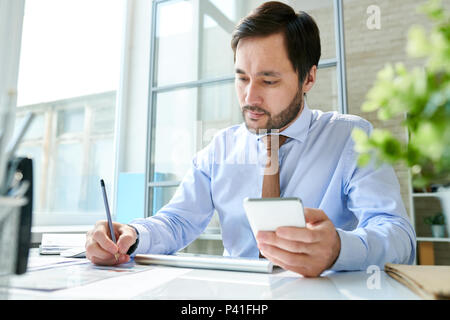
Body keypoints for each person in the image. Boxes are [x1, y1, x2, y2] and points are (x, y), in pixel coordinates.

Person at [85, 1, 416, 277]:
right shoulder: (219, 148)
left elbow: (399, 237)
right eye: (241, 78)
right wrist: (132, 235)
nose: (249, 96)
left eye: (268, 81)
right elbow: (178, 220)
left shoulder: (350, 137)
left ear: (309, 78)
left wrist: (340, 248)